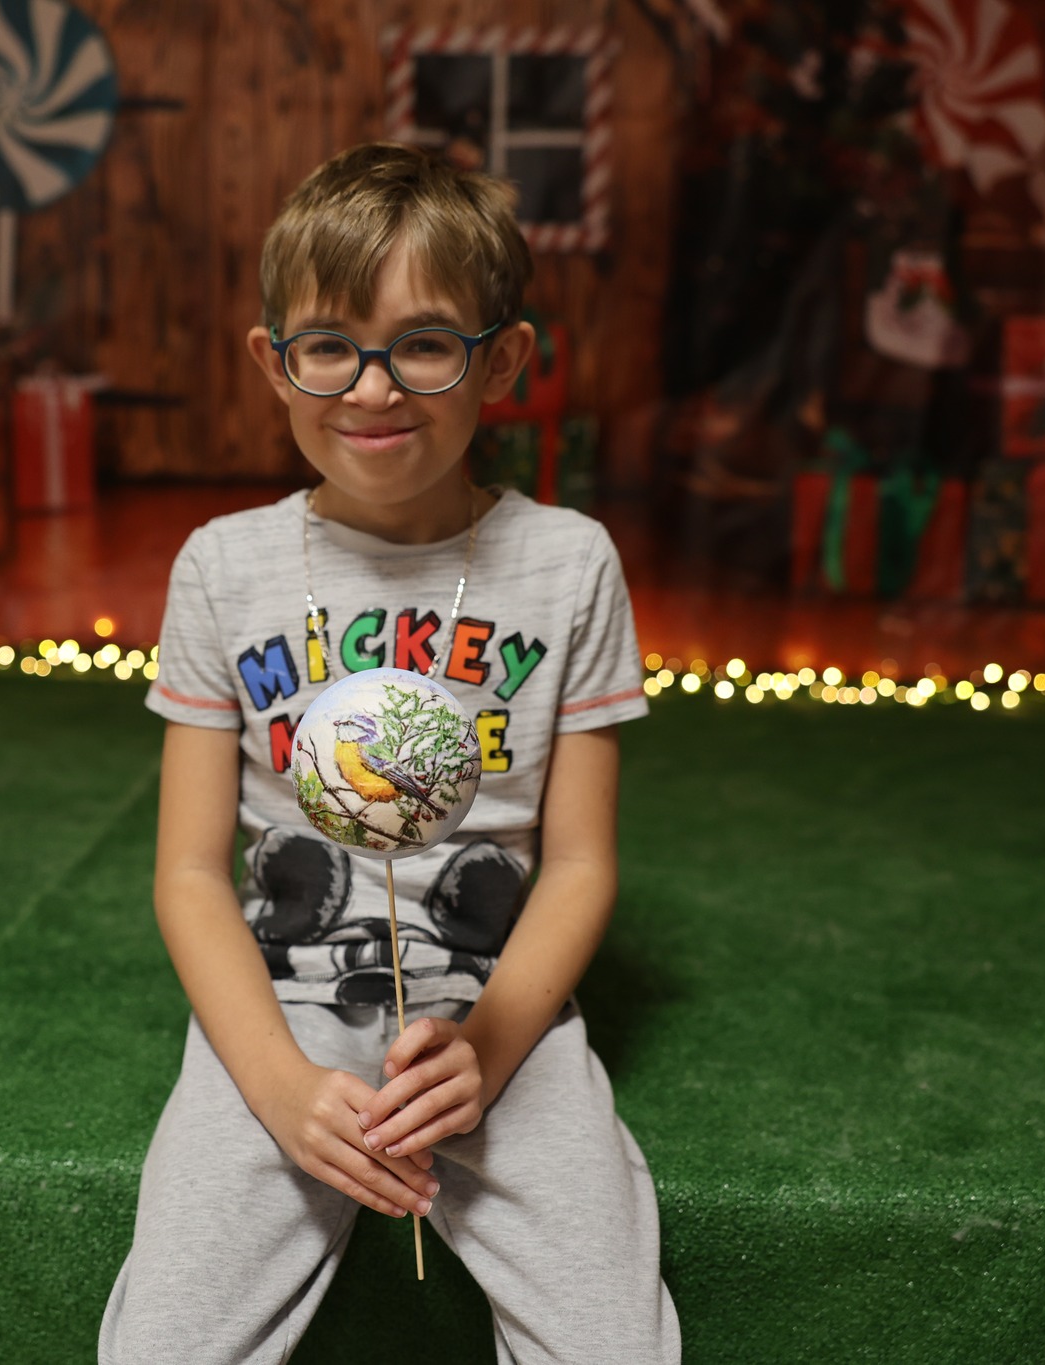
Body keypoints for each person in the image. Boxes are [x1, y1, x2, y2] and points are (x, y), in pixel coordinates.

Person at [99, 142, 681, 1365]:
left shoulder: (567, 564)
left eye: (422, 344)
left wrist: (489, 1050)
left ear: (500, 360)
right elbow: (190, 873)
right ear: (273, 362)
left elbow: (579, 864)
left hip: (490, 1012)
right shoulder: (223, 567)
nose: (371, 389)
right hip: (280, 1006)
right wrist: (274, 1087)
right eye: (328, 345)